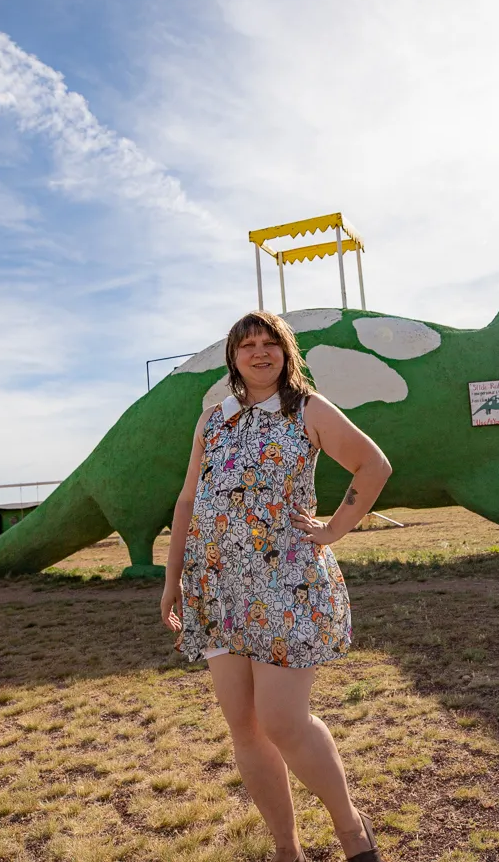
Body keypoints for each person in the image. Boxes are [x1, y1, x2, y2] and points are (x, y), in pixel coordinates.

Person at [162, 310, 392, 862]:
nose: (259, 352)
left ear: (287, 353)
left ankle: (351, 832)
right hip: (217, 587)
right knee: (244, 728)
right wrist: (173, 580)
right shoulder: (212, 419)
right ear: (233, 357)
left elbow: (373, 465)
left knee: (283, 721)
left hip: (284, 583)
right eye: (248, 345)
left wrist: (334, 528)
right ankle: (286, 849)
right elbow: (189, 500)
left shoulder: (306, 409)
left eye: (270, 343)